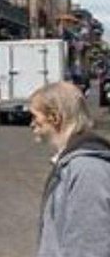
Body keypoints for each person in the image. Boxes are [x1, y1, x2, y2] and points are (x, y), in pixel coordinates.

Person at [30, 81, 110, 257]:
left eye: (35, 117)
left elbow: (89, 247)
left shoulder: (87, 170)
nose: (32, 124)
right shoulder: (73, 163)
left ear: (55, 118)